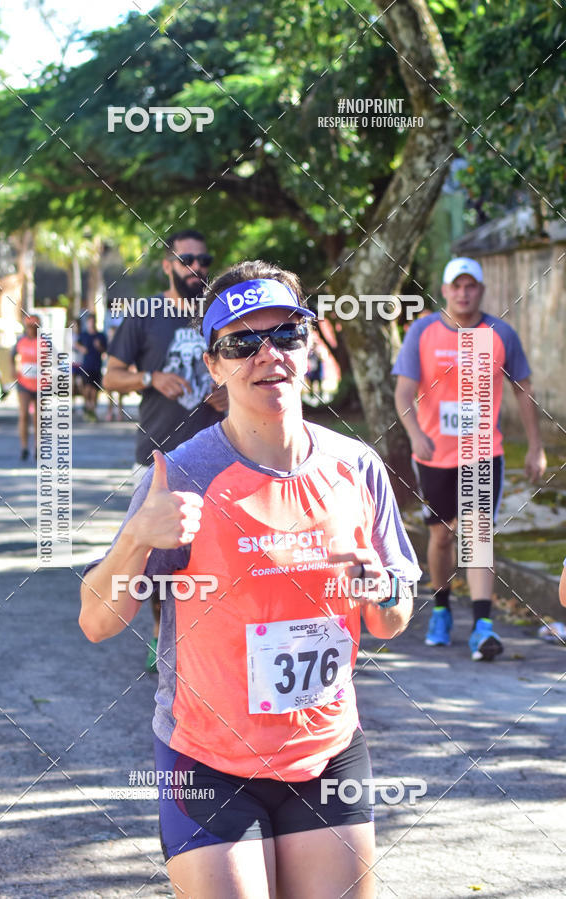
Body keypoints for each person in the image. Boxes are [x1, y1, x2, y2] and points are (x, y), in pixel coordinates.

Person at [80, 260, 421, 899]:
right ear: (214, 365)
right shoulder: (181, 474)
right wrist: (133, 540)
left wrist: (382, 590)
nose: (270, 355)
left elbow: (391, 619)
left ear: (310, 346)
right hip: (208, 761)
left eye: (288, 334)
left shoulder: (357, 466)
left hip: (327, 753)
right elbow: (96, 622)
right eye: (242, 343)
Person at [393, 257, 547, 661]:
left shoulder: (499, 334)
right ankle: (441, 609)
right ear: (444, 290)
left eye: (471, 286)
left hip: (482, 452)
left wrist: (536, 446)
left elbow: (523, 391)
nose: (463, 293)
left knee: (478, 537)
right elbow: (403, 393)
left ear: (480, 290)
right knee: (442, 536)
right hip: (434, 455)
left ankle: (483, 626)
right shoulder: (423, 331)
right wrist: (415, 435)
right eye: (456, 286)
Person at [103, 229, 228, 671]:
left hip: (221, 452)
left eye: (203, 259)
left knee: (217, 552)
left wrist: (231, 395)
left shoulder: (219, 314)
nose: (196, 267)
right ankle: (161, 633)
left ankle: (214, 639)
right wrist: (150, 379)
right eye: (186, 259)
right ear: (168, 265)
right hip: (162, 452)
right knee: (159, 556)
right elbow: (111, 376)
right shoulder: (145, 315)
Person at [11, 314, 41, 461]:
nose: (31, 330)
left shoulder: (44, 342)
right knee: (23, 415)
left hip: (41, 384)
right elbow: (12, 356)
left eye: (34, 327)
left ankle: (37, 447)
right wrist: (12, 370)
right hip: (24, 383)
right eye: (29, 327)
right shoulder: (20, 341)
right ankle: (24, 447)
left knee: (37, 418)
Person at [74, 313, 107, 421]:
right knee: (87, 388)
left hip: (97, 365)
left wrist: (99, 347)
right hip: (86, 365)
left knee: (95, 390)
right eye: (90, 321)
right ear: (87, 323)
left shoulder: (100, 335)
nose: (91, 323)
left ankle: (92, 409)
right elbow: (76, 344)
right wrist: (81, 348)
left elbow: (105, 350)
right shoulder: (84, 335)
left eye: (93, 321)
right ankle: (87, 405)